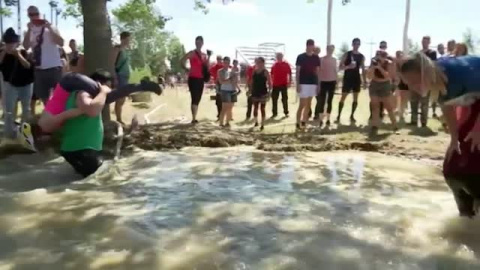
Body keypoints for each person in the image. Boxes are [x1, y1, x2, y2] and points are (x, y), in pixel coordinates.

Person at [399, 53, 480, 217]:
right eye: (408, 84)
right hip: (471, 97)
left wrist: (478, 129)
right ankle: (467, 216)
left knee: (474, 145)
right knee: (457, 159)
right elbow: (447, 106)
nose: (413, 87)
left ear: (426, 73)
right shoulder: (436, 80)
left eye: (415, 81)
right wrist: (454, 139)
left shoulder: (459, 74)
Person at [38, 72, 162, 133]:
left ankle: (142, 86)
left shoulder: (46, 125)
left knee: (105, 97)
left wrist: (80, 111)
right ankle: (141, 86)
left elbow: (71, 113)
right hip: (70, 81)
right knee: (104, 98)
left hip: (71, 82)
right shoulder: (46, 119)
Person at [23, 5, 64, 105]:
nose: (34, 17)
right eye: (31, 14)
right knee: (44, 97)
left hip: (53, 67)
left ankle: (59, 118)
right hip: (39, 68)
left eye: (36, 14)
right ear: (28, 16)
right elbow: (26, 46)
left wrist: (49, 27)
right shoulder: (28, 30)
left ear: (39, 14)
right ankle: (49, 116)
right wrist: (29, 30)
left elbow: (61, 42)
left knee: (58, 96)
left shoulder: (51, 27)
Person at [0, 28, 34, 143]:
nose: (10, 45)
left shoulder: (24, 52)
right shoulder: (2, 53)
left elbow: (28, 66)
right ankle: (9, 136)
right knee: (9, 111)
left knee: (26, 110)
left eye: (12, 42)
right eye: (8, 42)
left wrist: (18, 55)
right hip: (10, 85)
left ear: (16, 42)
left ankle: (25, 137)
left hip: (26, 84)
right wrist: (4, 52)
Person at [181, 36, 211, 124]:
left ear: (202, 43)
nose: (198, 44)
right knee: (194, 97)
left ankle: (194, 117)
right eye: (197, 42)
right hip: (193, 78)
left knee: (198, 98)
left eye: (200, 42)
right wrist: (186, 69)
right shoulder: (192, 53)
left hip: (201, 79)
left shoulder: (204, 55)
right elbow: (182, 60)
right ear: (195, 43)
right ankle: (194, 118)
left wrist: (209, 57)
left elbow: (207, 66)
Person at [367, 50, 398, 133]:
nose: (378, 58)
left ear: (384, 57)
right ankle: (375, 125)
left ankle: (394, 125)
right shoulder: (373, 63)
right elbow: (369, 77)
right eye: (377, 56)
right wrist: (373, 68)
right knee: (375, 106)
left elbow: (388, 76)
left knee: (388, 107)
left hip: (385, 85)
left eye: (380, 56)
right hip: (374, 84)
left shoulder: (390, 63)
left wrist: (380, 68)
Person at [337, 38, 366, 124]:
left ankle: (352, 115)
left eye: (358, 44)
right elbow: (340, 67)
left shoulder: (361, 56)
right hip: (347, 78)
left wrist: (364, 81)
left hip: (356, 78)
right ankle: (338, 115)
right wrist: (348, 66)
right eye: (355, 44)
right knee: (343, 97)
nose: (356, 45)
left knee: (355, 98)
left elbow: (363, 69)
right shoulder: (347, 54)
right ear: (352, 44)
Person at [410, 36, 437, 127]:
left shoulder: (432, 53)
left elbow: (432, 64)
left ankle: (424, 122)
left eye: (426, 41)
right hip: (415, 81)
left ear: (429, 42)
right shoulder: (417, 53)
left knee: (424, 103)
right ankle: (413, 121)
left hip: (426, 81)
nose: (424, 43)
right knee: (414, 101)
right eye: (423, 41)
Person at [295, 39, 321, 130]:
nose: (311, 47)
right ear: (307, 46)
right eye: (309, 45)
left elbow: (318, 72)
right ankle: (298, 122)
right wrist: (297, 84)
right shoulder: (301, 57)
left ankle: (304, 121)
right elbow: (298, 71)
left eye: (312, 45)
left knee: (309, 104)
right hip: (303, 82)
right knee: (302, 104)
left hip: (313, 82)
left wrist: (318, 84)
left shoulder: (316, 58)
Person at [112, 31, 132, 125]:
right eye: (128, 39)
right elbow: (112, 63)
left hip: (125, 77)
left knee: (122, 99)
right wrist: (115, 77)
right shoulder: (117, 48)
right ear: (123, 39)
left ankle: (119, 118)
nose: (130, 41)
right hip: (119, 76)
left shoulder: (126, 50)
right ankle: (118, 119)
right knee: (119, 98)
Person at [316, 44, 338, 126]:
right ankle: (321, 119)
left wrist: (336, 81)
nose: (330, 51)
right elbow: (318, 72)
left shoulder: (334, 59)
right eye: (329, 49)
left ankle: (328, 119)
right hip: (323, 82)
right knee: (322, 101)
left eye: (332, 49)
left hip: (331, 81)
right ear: (326, 49)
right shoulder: (321, 59)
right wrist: (318, 83)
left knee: (330, 101)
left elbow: (335, 71)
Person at [217, 57, 240, 127]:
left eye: (228, 63)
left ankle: (227, 122)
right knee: (224, 107)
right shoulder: (220, 71)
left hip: (232, 90)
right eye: (225, 62)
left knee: (230, 107)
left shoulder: (232, 71)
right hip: (225, 91)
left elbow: (235, 81)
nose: (226, 64)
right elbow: (221, 81)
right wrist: (229, 80)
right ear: (223, 63)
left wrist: (237, 87)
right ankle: (221, 123)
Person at [250, 57, 272, 130]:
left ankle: (262, 123)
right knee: (255, 107)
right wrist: (250, 89)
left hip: (263, 92)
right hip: (255, 91)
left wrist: (269, 92)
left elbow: (269, 82)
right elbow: (252, 81)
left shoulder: (265, 71)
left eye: (260, 62)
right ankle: (256, 121)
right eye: (257, 62)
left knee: (262, 108)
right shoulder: (254, 71)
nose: (258, 64)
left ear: (263, 63)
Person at [270, 52, 292, 118]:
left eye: (280, 56)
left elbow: (290, 73)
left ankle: (286, 112)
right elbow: (271, 75)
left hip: (283, 84)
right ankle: (274, 113)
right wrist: (271, 83)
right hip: (275, 84)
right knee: (274, 99)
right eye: (277, 56)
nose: (279, 57)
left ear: (282, 56)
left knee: (284, 99)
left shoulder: (286, 64)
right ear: (276, 57)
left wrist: (289, 82)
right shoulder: (274, 65)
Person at [395, 51, 409, 122]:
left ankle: (401, 114)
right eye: (398, 56)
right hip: (398, 84)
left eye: (400, 55)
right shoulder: (395, 65)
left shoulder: (407, 65)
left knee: (404, 100)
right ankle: (399, 112)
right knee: (398, 99)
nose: (399, 57)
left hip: (405, 84)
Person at [210, 55, 224, 119]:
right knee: (218, 100)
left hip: (224, 83)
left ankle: (223, 113)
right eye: (218, 59)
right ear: (217, 60)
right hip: (218, 84)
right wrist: (212, 80)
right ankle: (219, 114)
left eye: (220, 59)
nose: (219, 61)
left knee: (224, 100)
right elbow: (210, 74)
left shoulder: (224, 66)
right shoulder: (214, 67)